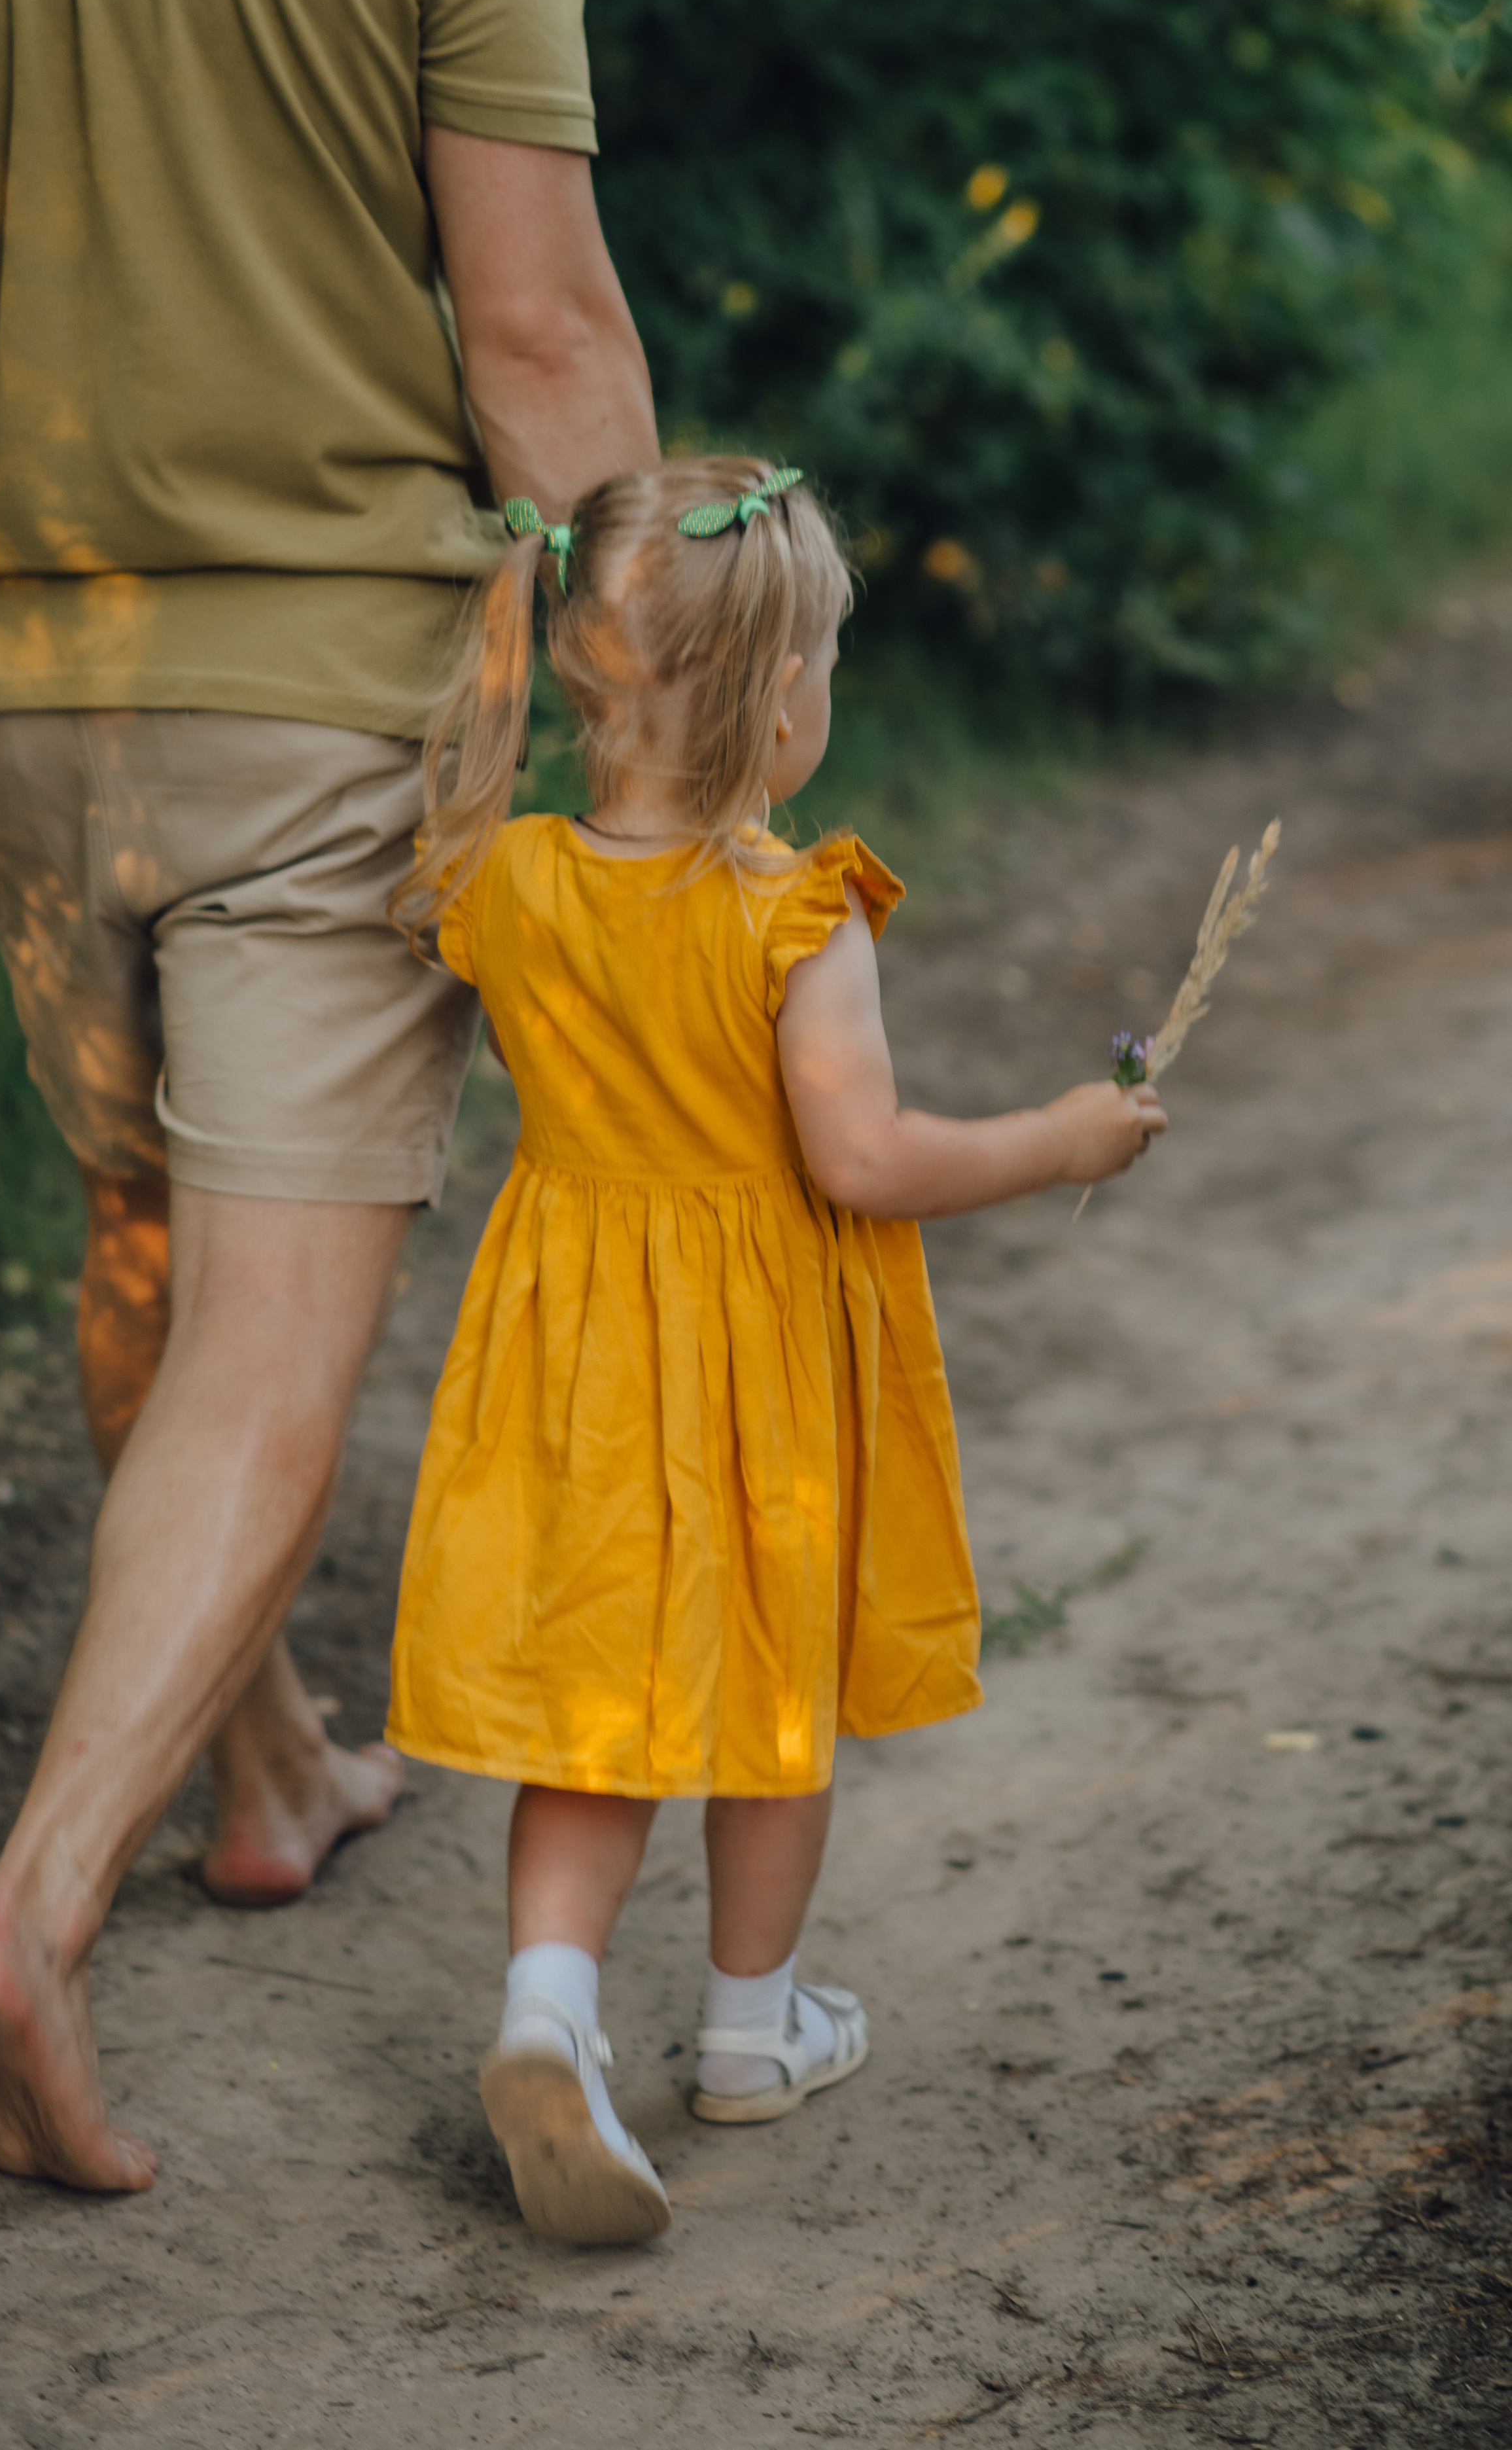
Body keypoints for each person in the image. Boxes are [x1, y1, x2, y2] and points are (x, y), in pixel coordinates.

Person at [0, 0, 658, 2191]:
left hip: (1, 652)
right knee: (271, 1322)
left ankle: (270, 1766)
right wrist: (653, 701)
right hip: (318, 670)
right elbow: (537, 333)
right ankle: (34, 1914)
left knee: (145, 1224)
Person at [383, 458, 1169, 2245]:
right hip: (754, 1367)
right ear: (775, 697)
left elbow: (446, 952)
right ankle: (750, 2024)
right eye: (820, 660)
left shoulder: (502, 880)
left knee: (599, 1696)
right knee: (769, 1687)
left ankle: (548, 2008)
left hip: (572, 1351)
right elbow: (864, 1160)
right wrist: (1062, 1134)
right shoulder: (797, 910)